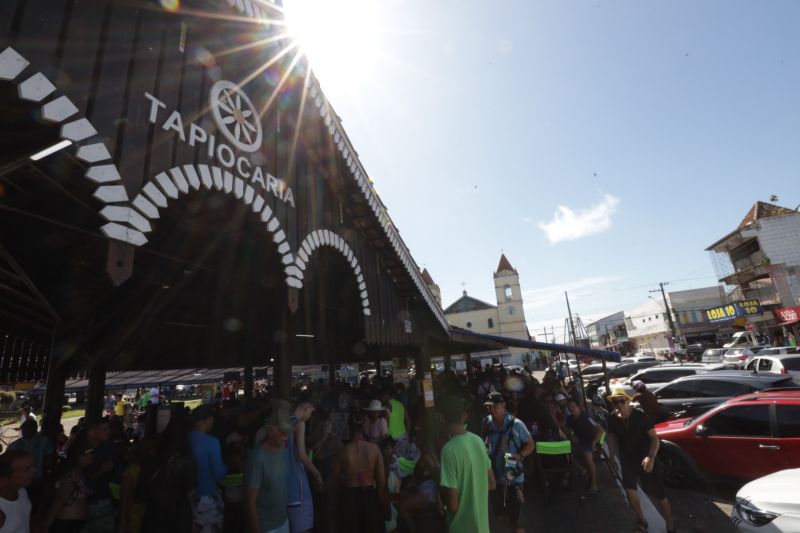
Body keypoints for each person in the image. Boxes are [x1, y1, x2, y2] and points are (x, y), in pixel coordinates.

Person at [606, 387, 675, 533]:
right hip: (627, 459)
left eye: (622, 401)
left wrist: (650, 457)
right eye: (615, 402)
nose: (619, 405)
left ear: (628, 401)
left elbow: (655, 439)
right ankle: (641, 520)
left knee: (658, 494)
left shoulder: (640, 416)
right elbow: (611, 438)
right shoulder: (612, 418)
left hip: (645, 458)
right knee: (630, 490)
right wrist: (611, 456)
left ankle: (669, 523)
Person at [439, 396, 496, 533]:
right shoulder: (478, 441)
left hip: (460, 527)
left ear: (442, 419)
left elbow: (452, 506)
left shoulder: (448, 450)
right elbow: (492, 484)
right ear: (464, 416)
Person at [481, 392, 534, 533]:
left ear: (503, 405)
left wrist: (520, 455)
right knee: (500, 516)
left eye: (494, 407)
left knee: (518, 522)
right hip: (495, 479)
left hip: (514, 479)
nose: (491, 410)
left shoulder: (516, 424)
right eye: (488, 407)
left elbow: (530, 444)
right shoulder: (486, 423)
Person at [332, 412, 386, 533]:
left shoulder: (342, 451)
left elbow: (334, 480)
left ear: (349, 426)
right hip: (370, 496)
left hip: (349, 497)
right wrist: (379, 496)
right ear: (365, 427)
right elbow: (381, 480)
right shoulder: (375, 449)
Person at [246, 408, 291, 533]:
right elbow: (250, 502)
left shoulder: (281, 450)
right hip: (266, 527)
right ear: (270, 431)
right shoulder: (257, 458)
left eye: (287, 432)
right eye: (282, 432)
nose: (286, 436)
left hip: (282, 521)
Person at [40, 431, 92, 533]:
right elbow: (58, 503)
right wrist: (45, 527)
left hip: (73, 524)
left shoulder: (79, 473)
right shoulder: (71, 476)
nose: (91, 456)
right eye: (88, 453)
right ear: (79, 456)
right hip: (66, 525)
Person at [189, 404, 228, 532]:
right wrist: (227, 467)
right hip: (207, 497)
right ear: (208, 421)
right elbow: (218, 474)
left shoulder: (186, 438)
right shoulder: (212, 442)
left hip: (189, 497)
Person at [286, 402, 320, 533]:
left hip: (283, 488)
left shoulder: (282, 424)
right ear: (305, 409)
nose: (310, 416)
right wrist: (317, 473)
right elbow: (301, 455)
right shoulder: (299, 424)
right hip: (298, 488)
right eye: (310, 412)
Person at [8, 418, 54, 511]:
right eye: (23, 429)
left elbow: (50, 461)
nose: (24, 431)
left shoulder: (44, 441)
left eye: (26, 428)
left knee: (35, 503)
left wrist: (48, 475)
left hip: (38, 479)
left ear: (34, 428)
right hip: (21, 481)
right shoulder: (15, 444)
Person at [82, 419, 116, 533]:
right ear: (92, 431)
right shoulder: (82, 450)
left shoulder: (108, 448)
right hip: (84, 503)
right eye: (104, 429)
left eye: (108, 429)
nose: (108, 432)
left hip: (101, 501)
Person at [563, 399, 603, 494]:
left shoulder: (586, 417)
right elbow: (565, 428)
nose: (571, 409)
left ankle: (594, 485)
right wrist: (571, 435)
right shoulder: (570, 418)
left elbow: (600, 430)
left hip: (589, 442)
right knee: (566, 455)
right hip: (579, 443)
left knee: (588, 457)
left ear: (578, 407)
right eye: (569, 408)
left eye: (573, 407)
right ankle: (582, 470)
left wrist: (593, 443)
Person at [0, 450, 35, 533]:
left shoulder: (21, 491)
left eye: (32, 466)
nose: (34, 471)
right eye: (27, 469)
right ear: (3, 481)